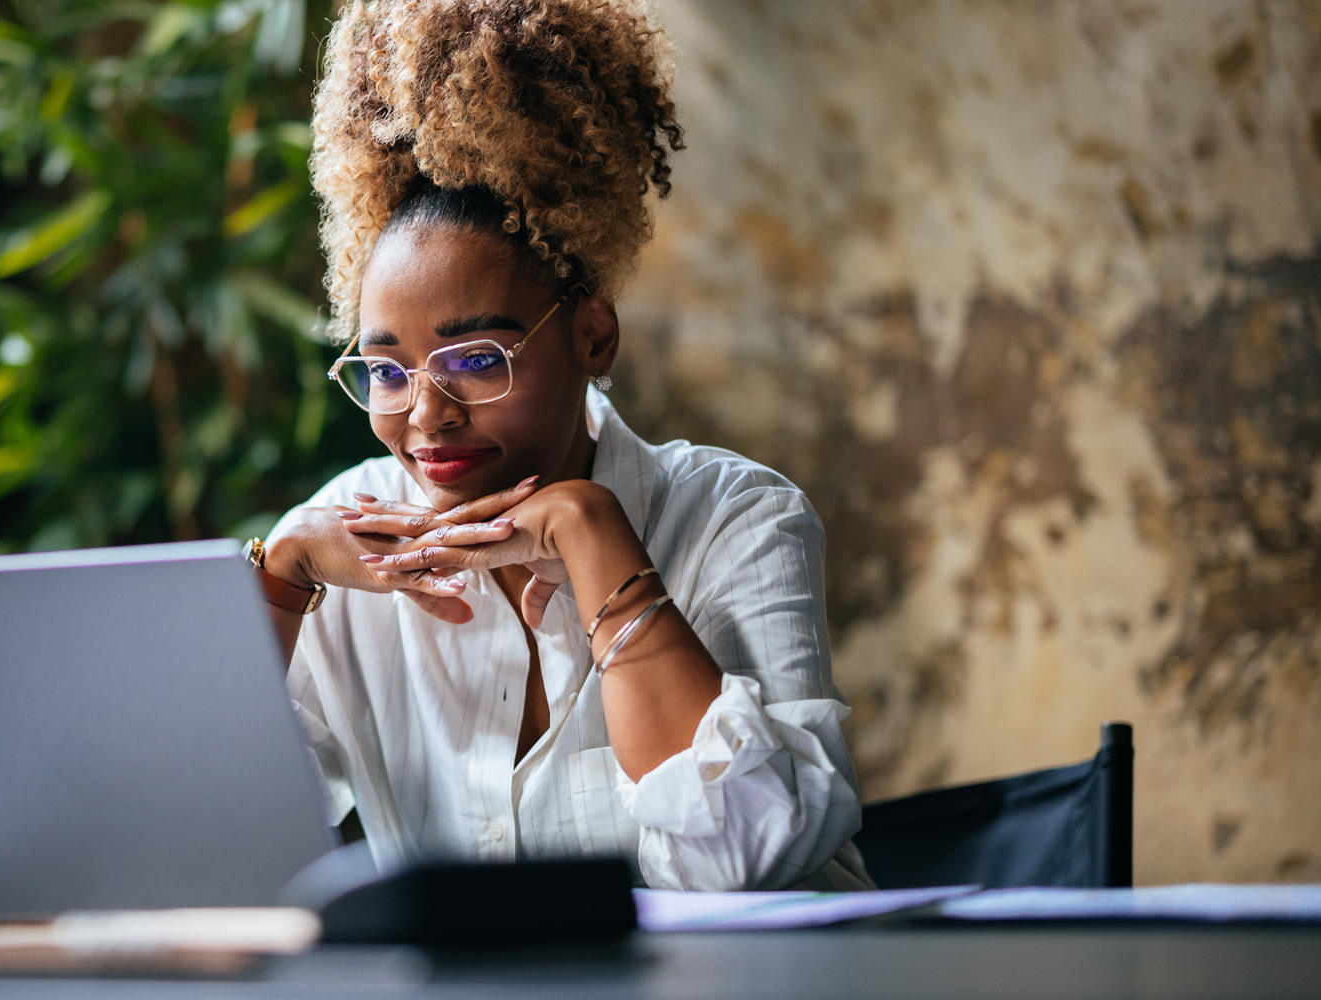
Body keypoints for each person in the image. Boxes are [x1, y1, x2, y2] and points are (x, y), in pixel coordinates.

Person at [249, 0, 872, 891]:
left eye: (475, 360)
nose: (426, 417)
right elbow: (196, 843)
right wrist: (277, 577)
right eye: (386, 371)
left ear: (593, 337)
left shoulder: (738, 517)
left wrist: (591, 535)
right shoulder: (337, 547)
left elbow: (747, 859)